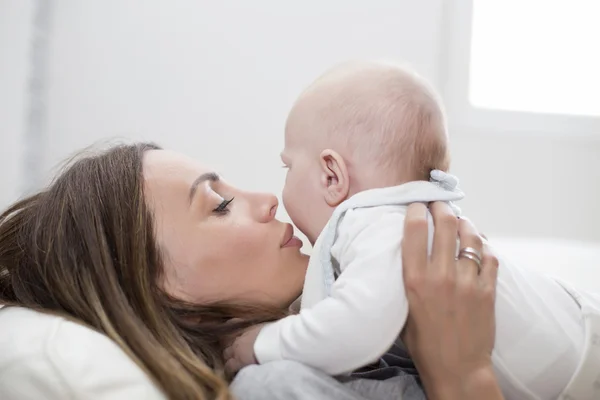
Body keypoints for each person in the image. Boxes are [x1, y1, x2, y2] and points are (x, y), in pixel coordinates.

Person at [0, 142, 503, 399]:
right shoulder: (275, 389)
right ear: (162, 294)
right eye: (220, 205)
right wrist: (463, 373)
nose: (267, 200)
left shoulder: (352, 317)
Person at [225, 61, 600, 400]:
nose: (275, 196)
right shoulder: (403, 220)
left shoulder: (374, 222)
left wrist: (263, 343)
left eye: (287, 168)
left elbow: (355, 327)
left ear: (332, 175)